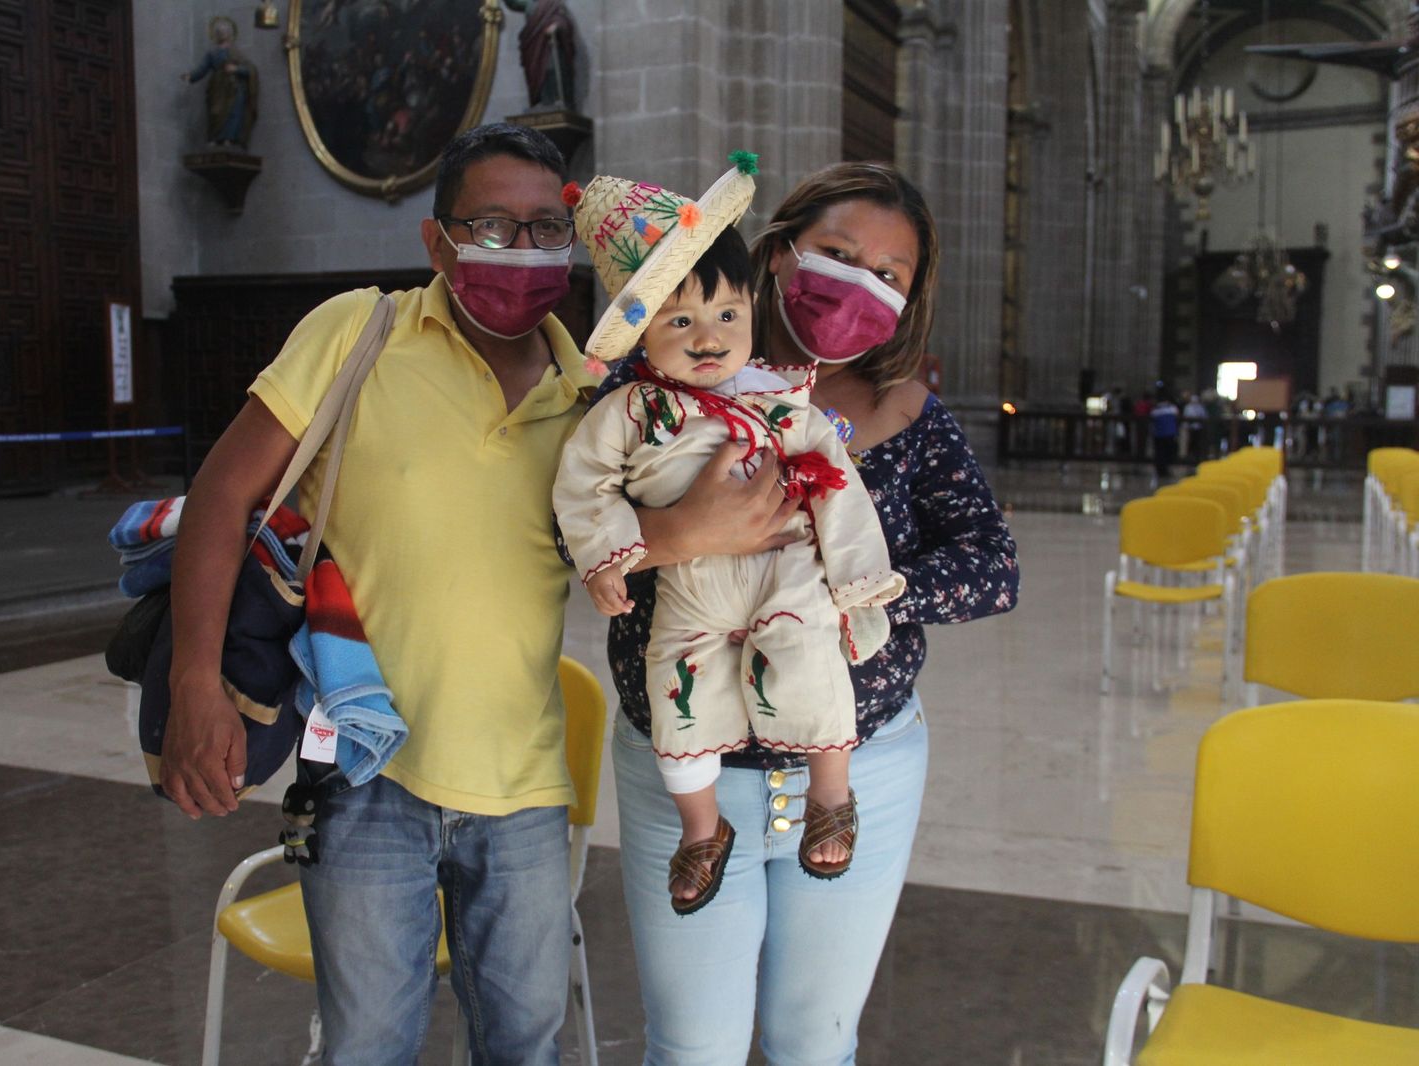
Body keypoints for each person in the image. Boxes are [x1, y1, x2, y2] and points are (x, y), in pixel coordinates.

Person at [159, 123, 594, 1065]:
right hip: (361, 774)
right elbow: (222, 495)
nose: (522, 250)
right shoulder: (358, 330)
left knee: (526, 1045)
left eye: (544, 228)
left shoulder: (591, 395)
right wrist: (197, 681)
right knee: (367, 1047)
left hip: (522, 787)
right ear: (436, 242)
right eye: (491, 225)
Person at [594, 162, 1019, 1062]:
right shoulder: (658, 384)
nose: (858, 281)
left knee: (814, 1045)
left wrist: (858, 592)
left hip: (863, 771)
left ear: (909, 300)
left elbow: (993, 566)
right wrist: (682, 532)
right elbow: (575, 532)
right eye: (837, 253)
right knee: (691, 1047)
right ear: (780, 254)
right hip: (687, 773)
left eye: (888, 274)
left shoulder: (909, 414)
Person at [553, 163, 904, 915]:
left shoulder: (784, 402)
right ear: (642, 334)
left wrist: (857, 581)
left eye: (725, 316)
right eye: (679, 322)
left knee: (811, 657)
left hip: (787, 575)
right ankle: (702, 826)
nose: (707, 339)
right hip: (691, 587)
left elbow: (838, 488)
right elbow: (583, 485)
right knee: (677, 692)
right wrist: (609, 556)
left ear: (752, 308)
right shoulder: (629, 413)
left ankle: (830, 794)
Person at [181, 16, 258, 149]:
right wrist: (191, 76)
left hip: (234, 88)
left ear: (230, 34)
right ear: (216, 35)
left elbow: (250, 70)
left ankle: (229, 138)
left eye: (225, 31)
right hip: (217, 88)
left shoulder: (236, 53)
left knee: (233, 113)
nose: (222, 34)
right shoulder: (212, 53)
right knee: (215, 112)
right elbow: (203, 68)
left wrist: (236, 69)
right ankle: (216, 138)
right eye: (219, 32)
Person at [1150, 386, 1180, 480]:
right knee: (1166, 453)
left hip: (1159, 434)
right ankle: (1164, 469)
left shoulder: (1155, 411)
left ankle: (1161, 469)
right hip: (1168, 434)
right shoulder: (1172, 409)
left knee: (1160, 453)